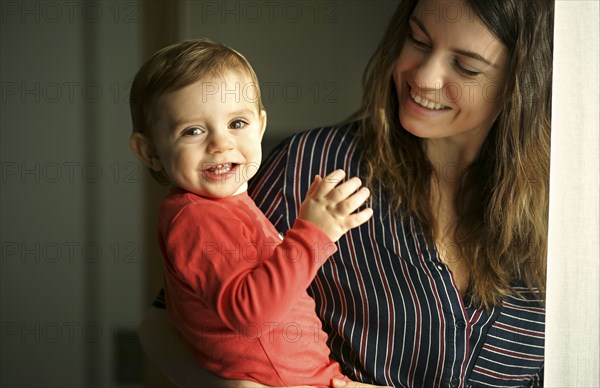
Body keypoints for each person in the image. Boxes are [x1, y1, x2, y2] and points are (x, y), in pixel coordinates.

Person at [137, 0, 554, 386]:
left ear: (520, 83)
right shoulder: (309, 166)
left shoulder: (568, 206)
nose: (423, 77)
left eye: (465, 67)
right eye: (418, 40)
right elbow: (167, 321)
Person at [128, 39, 377, 387]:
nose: (220, 144)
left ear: (260, 126)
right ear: (150, 151)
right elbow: (251, 315)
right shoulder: (197, 220)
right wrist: (313, 233)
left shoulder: (223, 205)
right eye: (193, 131)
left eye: (237, 124)